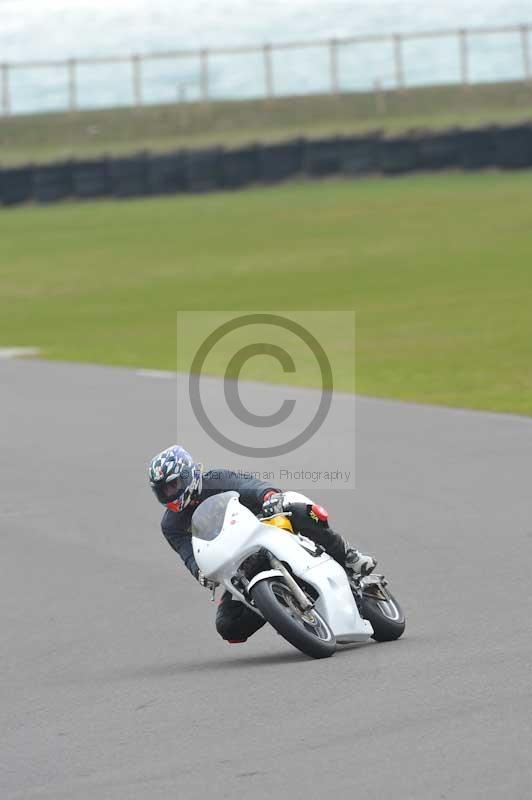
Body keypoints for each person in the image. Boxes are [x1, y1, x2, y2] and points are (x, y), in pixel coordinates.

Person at [149, 445, 376, 644]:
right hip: (237, 563)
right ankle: (283, 613)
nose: (168, 494)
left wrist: (268, 496)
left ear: (187, 474)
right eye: (162, 490)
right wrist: (199, 572)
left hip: (265, 528)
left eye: (172, 485)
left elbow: (248, 485)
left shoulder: (217, 479)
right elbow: (188, 554)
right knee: (228, 625)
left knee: (297, 509)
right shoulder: (170, 525)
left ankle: (349, 556)